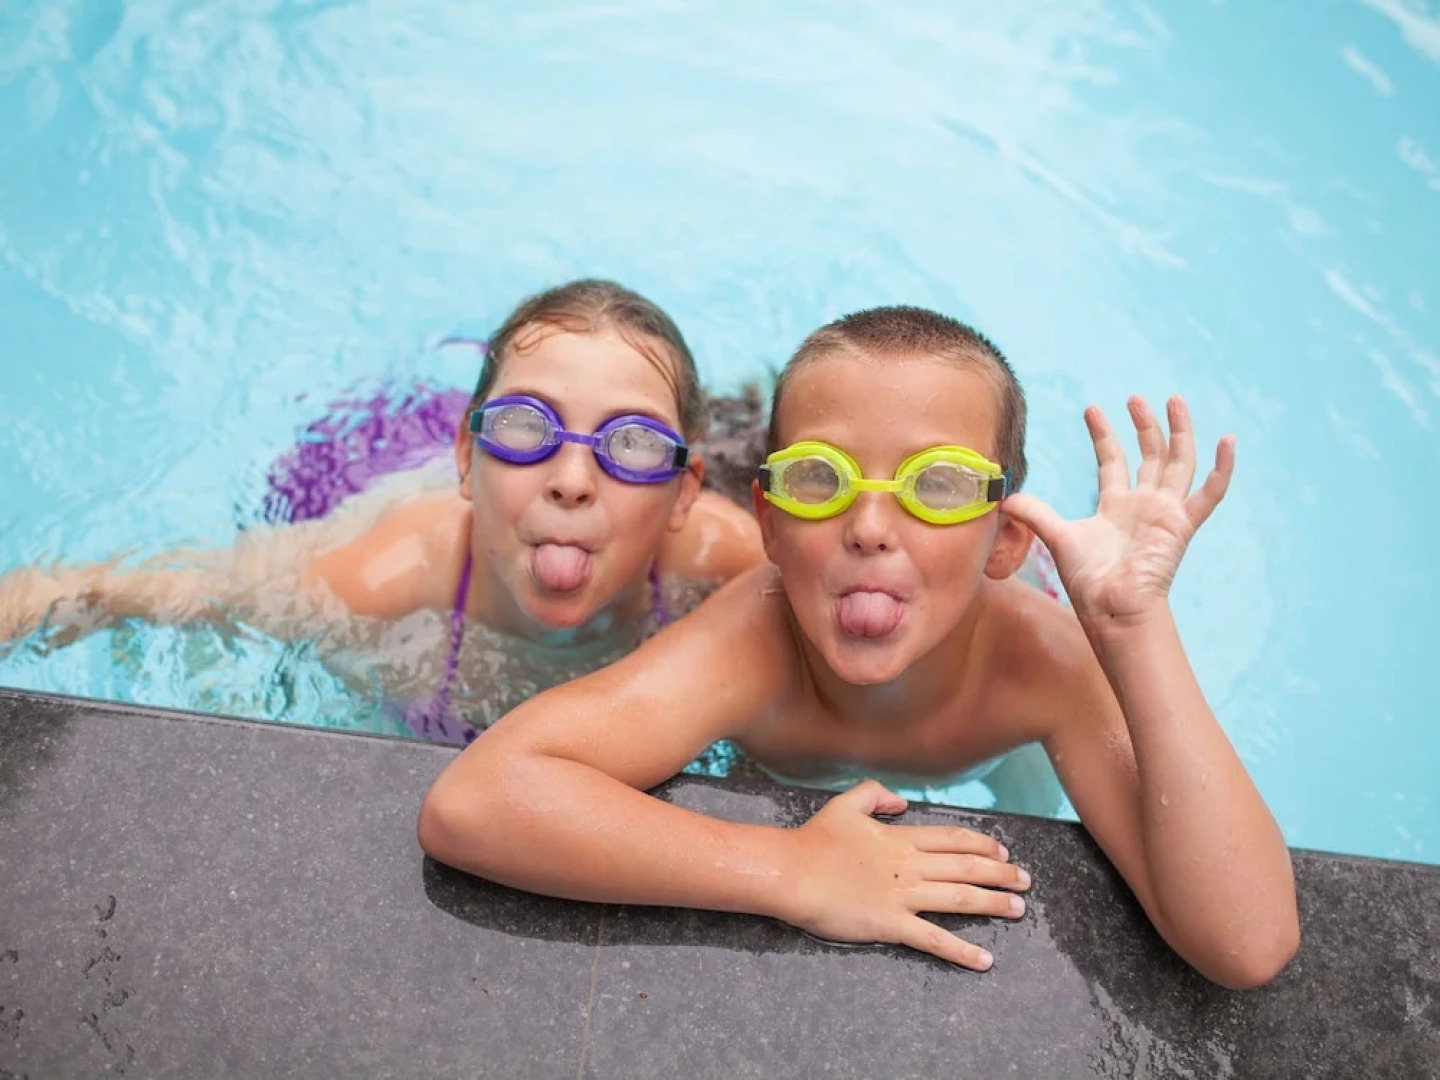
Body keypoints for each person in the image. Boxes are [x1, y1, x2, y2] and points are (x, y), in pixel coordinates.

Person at [416, 305, 1300, 988]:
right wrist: (788, 870)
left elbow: (1248, 944)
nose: (871, 527)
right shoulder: (754, 633)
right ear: (766, 525)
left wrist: (1133, 631)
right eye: (819, 480)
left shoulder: (1045, 662)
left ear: (1005, 541)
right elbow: (477, 801)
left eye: (937, 486)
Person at [0, 280, 766, 742]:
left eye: (630, 444)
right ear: (469, 457)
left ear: (684, 490)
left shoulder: (719, 561)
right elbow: (128, 587)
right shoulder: (386, 575)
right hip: (368, 472)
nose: (573, 480)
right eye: (526, 426)